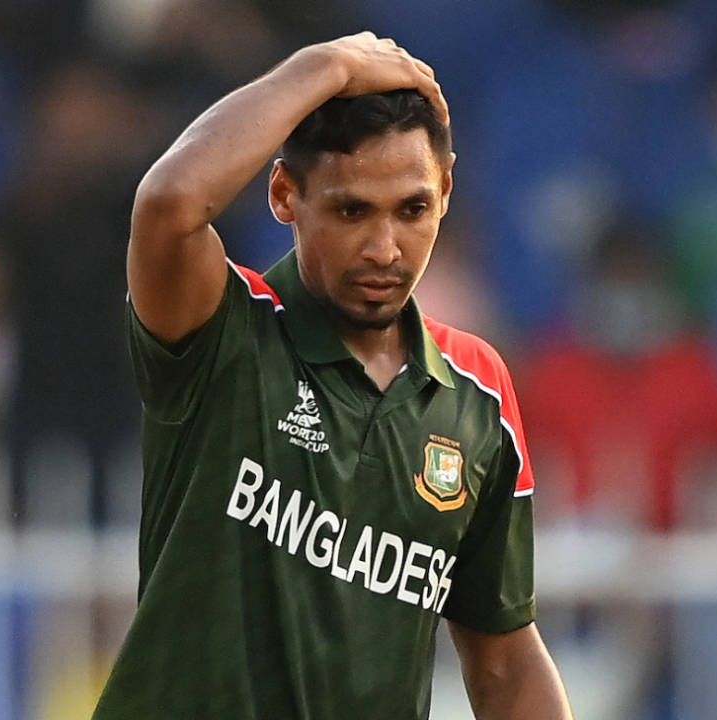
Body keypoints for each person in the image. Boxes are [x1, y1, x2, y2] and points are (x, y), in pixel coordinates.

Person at [95, 33, 573, 719]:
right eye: (352, 210)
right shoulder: (224, 329)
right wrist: (326, 67)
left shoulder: (478, 392)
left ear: (445, 191)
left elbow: (503, 658)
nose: (385, 249)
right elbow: (169, 203)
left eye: (412, 209)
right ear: (286, 194)